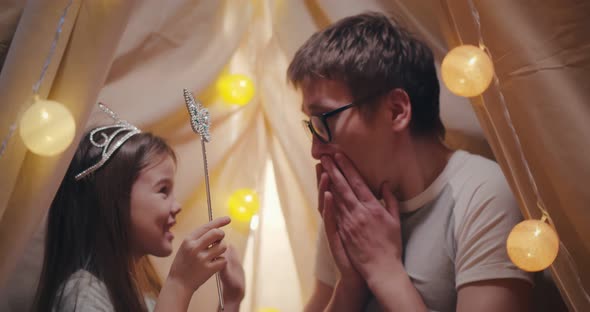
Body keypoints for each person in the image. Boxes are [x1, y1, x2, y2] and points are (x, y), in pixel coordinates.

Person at [287, 12, 533, 312]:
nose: (316, 149)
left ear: (396, 111)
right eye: (310, 125)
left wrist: (384, 272)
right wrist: (350, 285)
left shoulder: (483, 193)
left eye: (323, 120)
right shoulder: (350, 204)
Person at [33, 104, 245, 312]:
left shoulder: (144, 292)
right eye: (163, 190)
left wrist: (231, 300)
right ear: (115, 199)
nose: (176, 206)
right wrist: (180, 284)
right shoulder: (82, 294)